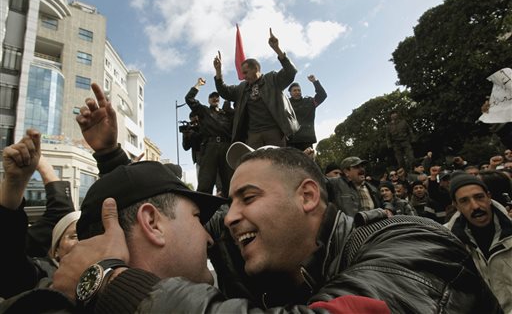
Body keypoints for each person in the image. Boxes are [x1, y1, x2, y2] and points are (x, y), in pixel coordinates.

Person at [52, 143, 502, 313]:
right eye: (228, 203)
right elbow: (160, 217)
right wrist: (114, 161)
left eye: (248, 198)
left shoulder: (414, 242)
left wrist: (109, 282)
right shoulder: (245, 255)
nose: (226, 220)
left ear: (307, 197)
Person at [0, 130, 79, 300]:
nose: (82, 242)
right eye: (74, 236)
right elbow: (9, 265)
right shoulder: (41, 275)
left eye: (89, 236)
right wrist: (15, 184)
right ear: (55, 251)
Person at [213, 28, 299, 148]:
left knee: (276, 163)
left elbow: (290, 72)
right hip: (253, 135)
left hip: (274, 132)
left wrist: (277, 49)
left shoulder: (272, 79)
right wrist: (218, 72)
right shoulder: (242, 88)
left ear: (256, 69)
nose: (244, 76)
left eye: (246, 72)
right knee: (256, 164)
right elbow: (224, 91)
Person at [445, 173, 512, 313]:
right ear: (455, 205)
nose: (475, 206)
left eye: (479, 197)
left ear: (488, 196)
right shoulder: (448, 244)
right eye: (464, 201)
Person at [185, 77, 233, 197]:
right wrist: (198, 84)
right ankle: (203, 211)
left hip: (226, 147)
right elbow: (189, 99)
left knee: (229, 182)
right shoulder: (204, 111)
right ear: (208, 100)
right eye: (212, 97)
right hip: (210, 147)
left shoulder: (227, 114)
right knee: (205, 182)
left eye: (217, 97)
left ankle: (231, 209)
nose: (215, 98)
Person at [286, 74, 327, 150]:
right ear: (290, 93)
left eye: (299, 90)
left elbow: (322, 95)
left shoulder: (309, 102)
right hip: (291, 141)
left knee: (307, 161)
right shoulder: (285, 104)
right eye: (294, 90)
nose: (297, 92)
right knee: (292, 162)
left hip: (306, 140)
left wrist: (314, 81)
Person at [181, 111, 202, 175]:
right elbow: (186, 147)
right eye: (192, 122)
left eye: (196, 122)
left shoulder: (205, 127)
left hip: (209, 158)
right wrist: (185, 136)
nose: (195, 124)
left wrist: (193, 134)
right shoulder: (190, 131)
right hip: (199, 161)